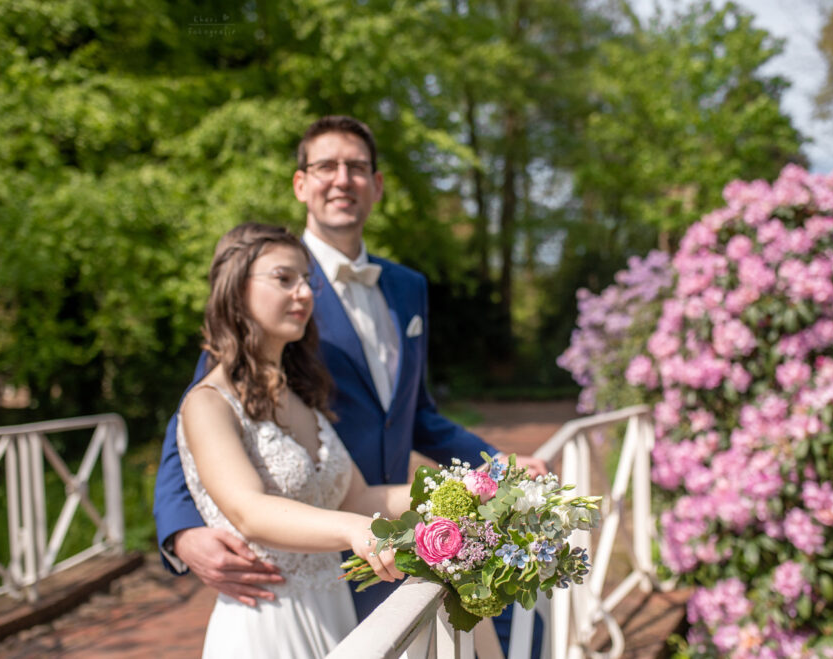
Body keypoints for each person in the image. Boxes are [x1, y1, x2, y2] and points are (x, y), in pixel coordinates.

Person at [153, 115, 548, 653]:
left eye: (357, 167)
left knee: (515, 630)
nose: (342, 179)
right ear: (301, 184)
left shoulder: (407, 289)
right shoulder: (265, 283)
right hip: (301, 571)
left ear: (377, 185)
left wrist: (491, 473)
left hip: (387, 542)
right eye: (325, 166)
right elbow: (199, 421)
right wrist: (181, 531)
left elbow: (418, 416)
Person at [174, 222, 410, 658]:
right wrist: (355, 531)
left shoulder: (304, 399)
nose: (303, 293)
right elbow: (249, 511)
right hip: (266, 625)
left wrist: (453, 493)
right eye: (284, 279)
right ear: (235, 288)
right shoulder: (207, 404)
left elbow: (357, 497)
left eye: (306, 280)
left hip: (335, 618)